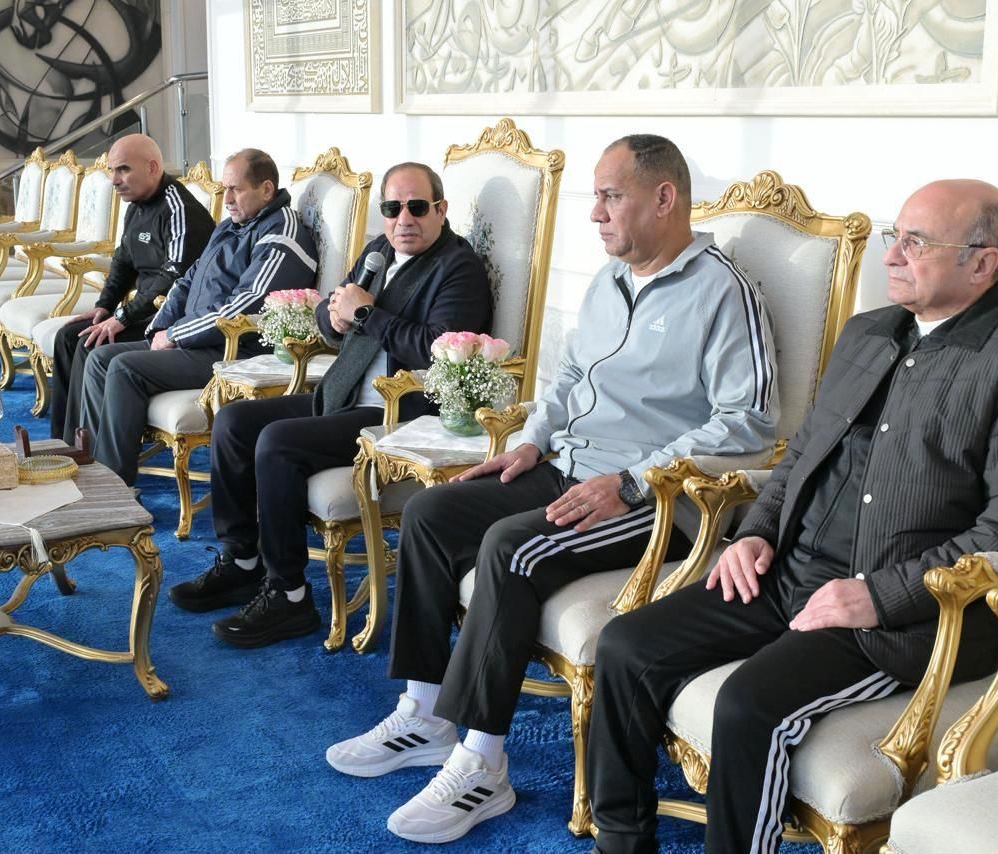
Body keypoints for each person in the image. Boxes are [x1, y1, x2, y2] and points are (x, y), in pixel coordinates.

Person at [586, 180, 998, 854]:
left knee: (748, 704)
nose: (893, 255)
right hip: (787, 572)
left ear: (981, 262)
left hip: (902, 618)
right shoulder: (868, 332)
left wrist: (880, 596)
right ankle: (621, 841)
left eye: (917, 242)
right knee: (626, 646)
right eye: (894, 236)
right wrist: (756, 533)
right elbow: (801, 455)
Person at [324, 135, 779, 845]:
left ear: (664, 198)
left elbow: (748, 418)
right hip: (566, 462)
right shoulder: (611, 278)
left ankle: (484, 764)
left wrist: (630, 482)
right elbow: (567, 377)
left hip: (654, 498)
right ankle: (426, 714)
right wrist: (532, 439)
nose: (595, 213)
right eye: (595, 197)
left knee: (512, 547)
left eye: (611, 196)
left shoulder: (723, 290)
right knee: (433, 513)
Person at [166, 162, 493, 648]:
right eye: (392, 208)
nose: (404, 218)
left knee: (278, 442)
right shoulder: (380, 251)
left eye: (417, 207)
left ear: (440, 210)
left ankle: (290, 595)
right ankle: (242, 561)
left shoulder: (457, 268)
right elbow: (332, 307)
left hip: (400, 412)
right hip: (344, 393)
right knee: (233, 422)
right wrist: (334, 319)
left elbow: (437, 349)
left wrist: (365, 314)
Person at [79, 148, 317, 485]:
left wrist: (175, 335)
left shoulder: (282, 231)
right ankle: (94, 469)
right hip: (197, 340)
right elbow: (187, 280)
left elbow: (244, 305)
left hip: (237, 350)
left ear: (266, 189)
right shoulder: (231, 225)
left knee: (124, 367)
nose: (227, 199)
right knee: (99, 358)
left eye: (236, 190)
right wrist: (160, 327)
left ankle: (113, 485)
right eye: (224, 189)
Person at [50, 133, 214, 442]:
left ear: (152, 168)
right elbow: (122, 263)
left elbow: (174, 279)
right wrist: (104, 307)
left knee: (90, 344)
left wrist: (123, 317)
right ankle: (64, 442)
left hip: (170, 319)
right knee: (68, 338)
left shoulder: (180, 209)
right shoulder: (135, 205)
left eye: (123, 169)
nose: (114, 180)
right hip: (142, 311)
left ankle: (87, 447)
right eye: (112, 170)